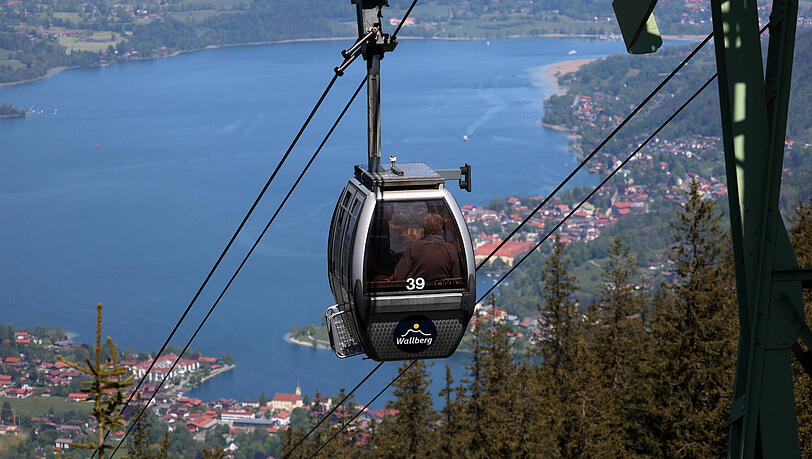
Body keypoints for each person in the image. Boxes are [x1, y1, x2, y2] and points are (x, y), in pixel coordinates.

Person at [393, 213, 461, 283]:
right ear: (441, 231)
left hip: (418, 292)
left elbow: (399, 277)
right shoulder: (451, 249)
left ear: (423, 230)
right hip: (444, 292)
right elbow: (456, 279)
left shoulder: (413, 248)